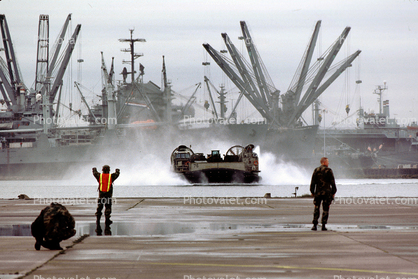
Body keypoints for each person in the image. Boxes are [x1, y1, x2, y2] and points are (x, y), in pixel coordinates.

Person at [310, 157, 337, 231]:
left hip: (318, 192)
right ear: (324, 162)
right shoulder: (329, 170)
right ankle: (323, 225)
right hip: (327, 193)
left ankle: (314, 225)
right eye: (327, 162)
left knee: (316, 208)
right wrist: (333, 192)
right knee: (325, 209)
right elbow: (332, 182)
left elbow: (313, 182)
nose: (328, 163)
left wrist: (312, 191)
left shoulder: (316, 170)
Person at [92, 165, 120, 235]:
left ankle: (98, 220)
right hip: (108, 196)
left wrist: (94, 170)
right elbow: (116, 175)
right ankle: (107, 220)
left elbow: (95, 174)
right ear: (109, 170)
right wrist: (117, 171)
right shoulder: (111, 177)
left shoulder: (100, 176)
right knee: (108, 208)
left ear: (102, 170)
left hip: (101, 196)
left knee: (99, 208)